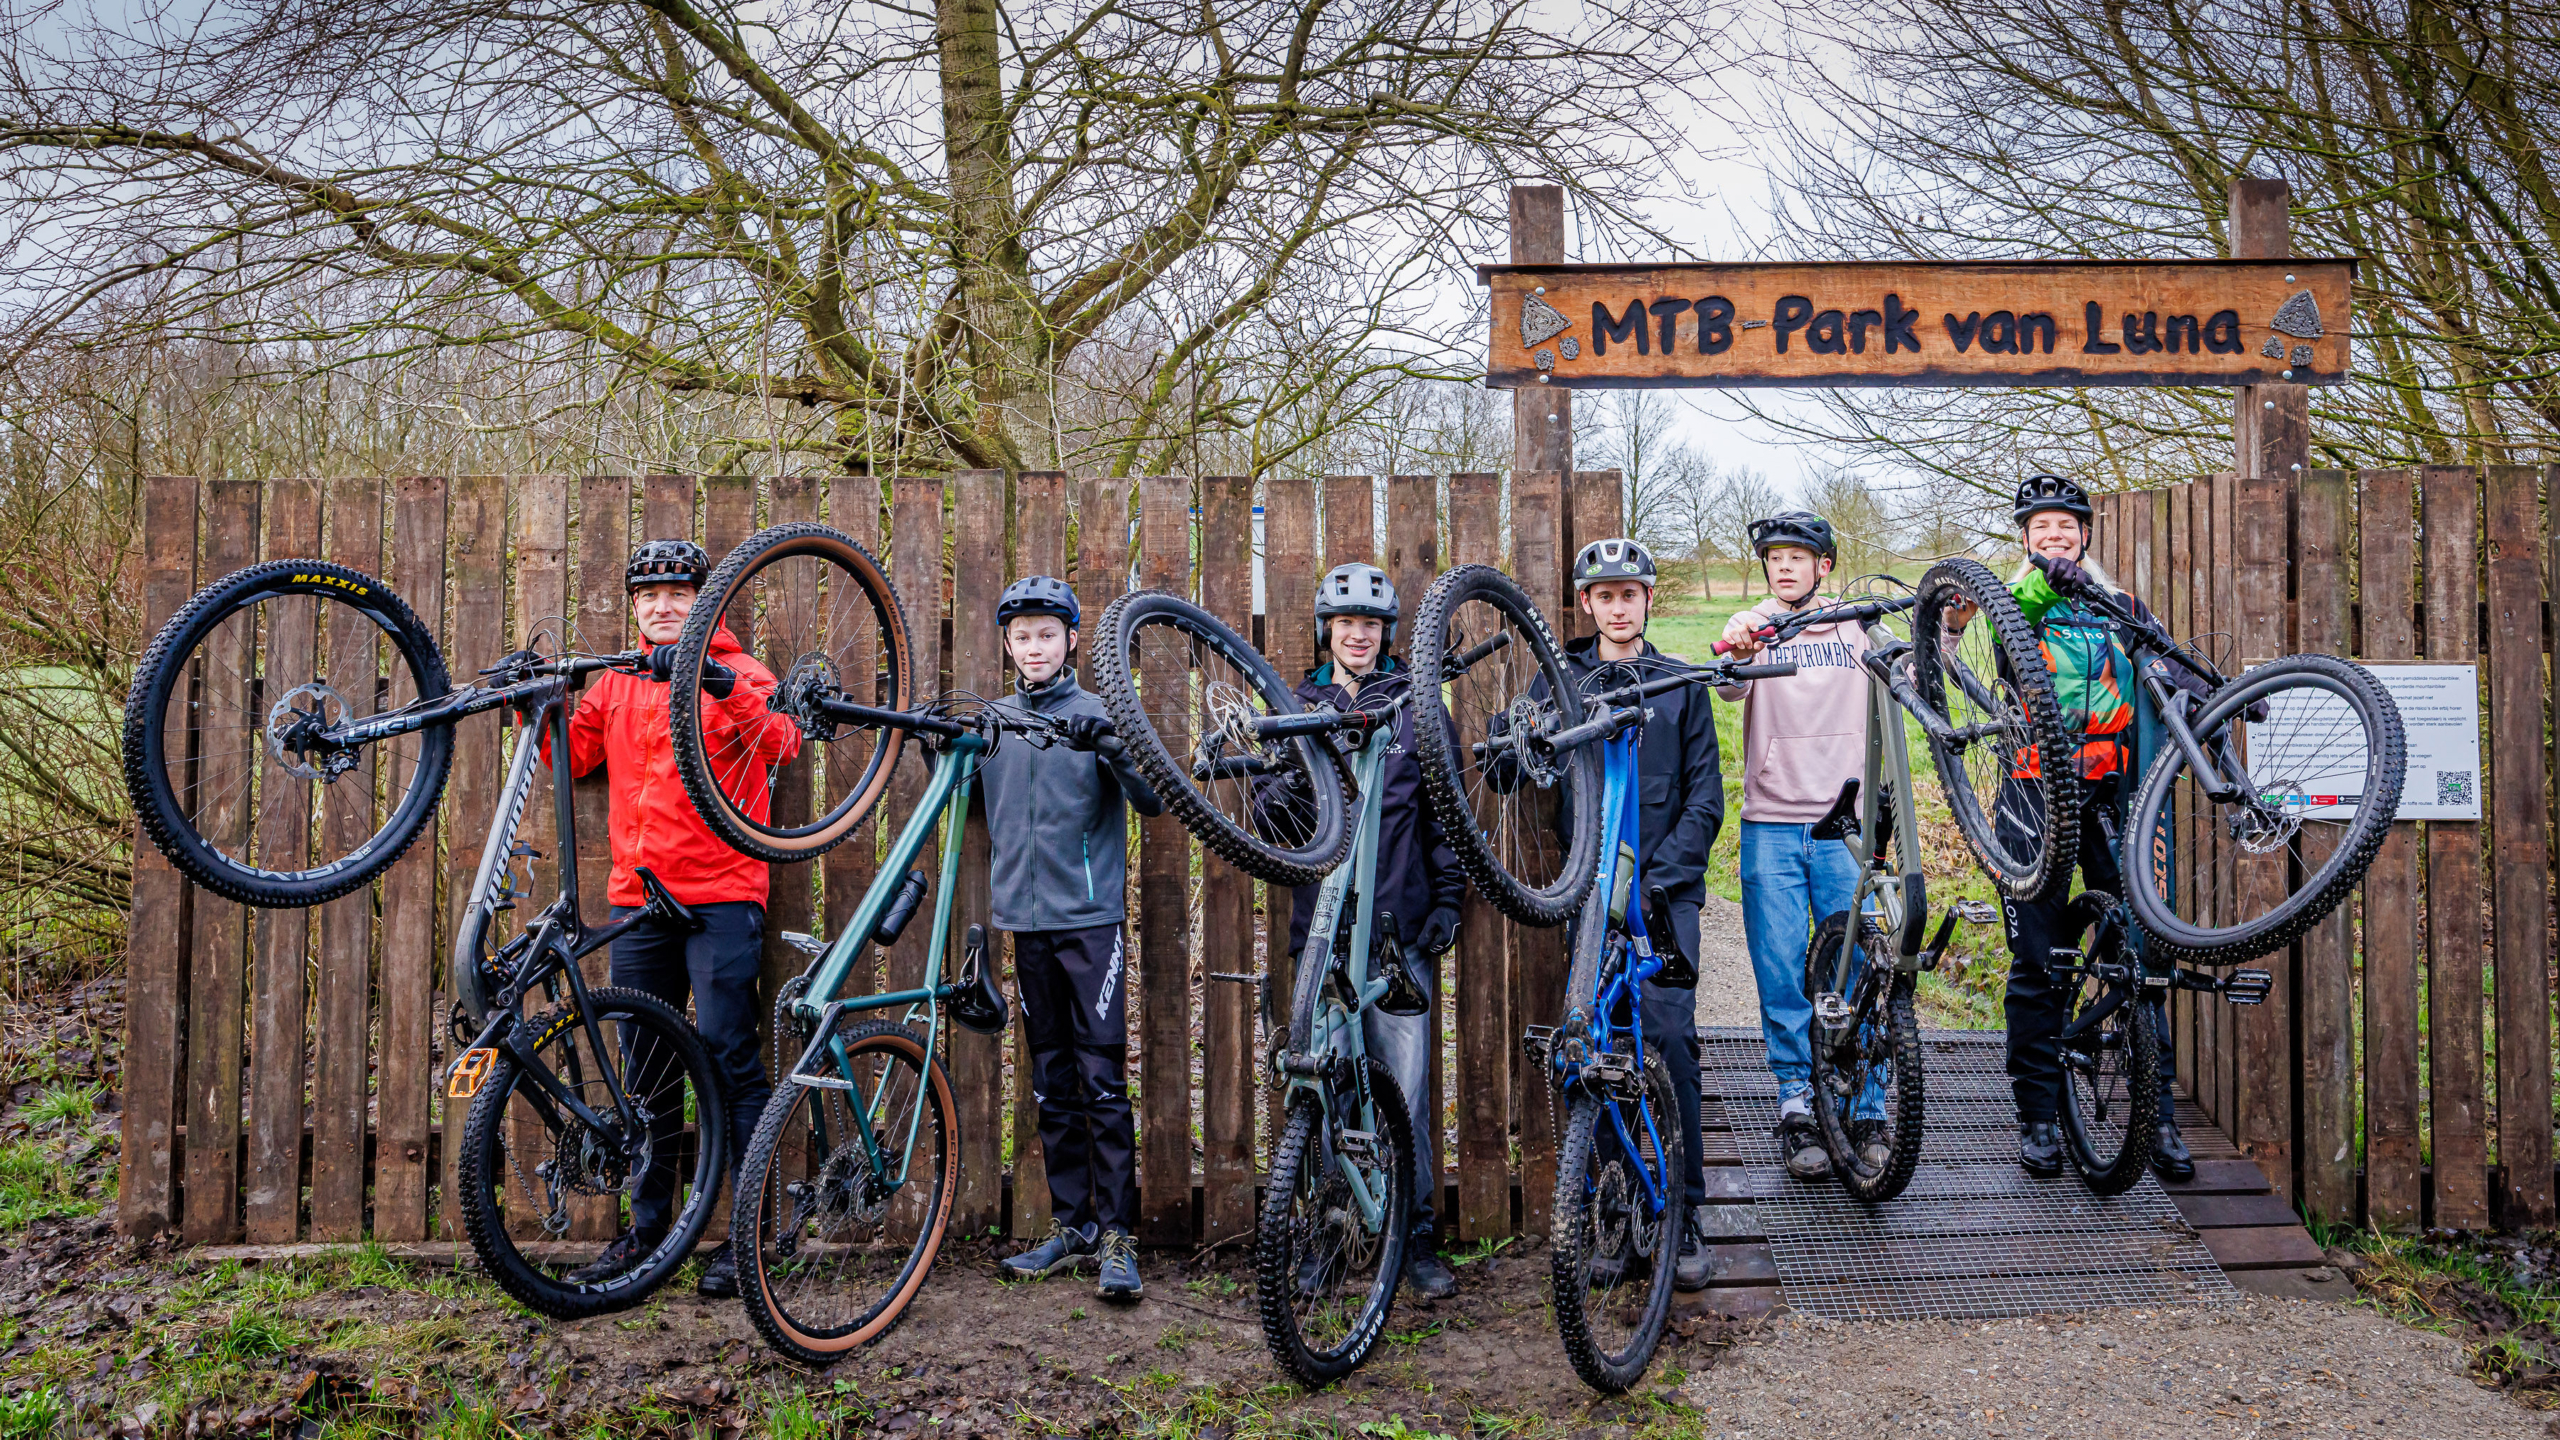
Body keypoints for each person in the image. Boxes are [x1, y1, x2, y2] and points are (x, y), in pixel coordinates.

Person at [557, 539, 802, 1297]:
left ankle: (750, 1237)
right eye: (648, 594)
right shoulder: (620, 681)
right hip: (638, 900)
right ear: (633, 604)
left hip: (724, 894)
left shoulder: (745, 673)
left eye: (677, 593)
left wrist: (719, 681)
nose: (662, 606)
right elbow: (570, 756)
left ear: (707, 600)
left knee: (731, 1057)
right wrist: (530, 705)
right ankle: (649, 1231)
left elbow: (784, 743)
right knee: (648, 1069)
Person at [1501, 538, 1725, 1291]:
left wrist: (1662, 882)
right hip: (1591, 893)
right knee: (1591, 1041)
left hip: (1662, 896)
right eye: (1605, 595)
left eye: (1632, 593)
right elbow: (1515, 766)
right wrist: (1510, 735)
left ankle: (1682, 1212)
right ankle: (1612, 1207)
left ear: (1648, 600)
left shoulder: (1679, 683)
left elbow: (1707, 799)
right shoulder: (1564, 680)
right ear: (1587, 604)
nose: (1619, 605)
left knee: (1666, 1036)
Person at [1990, 474, 2194, 1181]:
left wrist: (2210, 694)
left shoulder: (2121, 605)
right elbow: (2017, 624)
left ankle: (2158, 1118)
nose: (2054, 535)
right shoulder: (2014, 600)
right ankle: (2040, 1117)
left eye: (2065, 527)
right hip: (2031, 792)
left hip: (2110, 790)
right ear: (2025, 539)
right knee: (2039, 961)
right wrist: (2055, 579)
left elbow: (2161, 668)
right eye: (2040, 527)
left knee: (2142, 950)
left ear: (2085, 533)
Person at [1278, 563, 1465, 1301]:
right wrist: (1294, 780)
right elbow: (1271, 819)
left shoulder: (1420, 706)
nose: (1358, 635)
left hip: (1398, 931)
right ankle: (1327, 1240)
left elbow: (1446, 815)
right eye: (1345, 622)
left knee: (1404, 1093)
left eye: (1371, 624)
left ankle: (1412, 1239)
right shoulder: (1296, 703)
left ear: (1387, 633)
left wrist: (1447, 900)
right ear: (1326, 628)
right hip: (1321, 933)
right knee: (1323, 1093)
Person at [981, 575, 1164, 1301]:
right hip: (1023, 925)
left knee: (1099, 1080)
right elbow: (966, 798)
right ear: (1008, 643)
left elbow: (1152, 800)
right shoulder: (994, 719)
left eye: (1047, 635)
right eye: (1022, 636)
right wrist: (941, 745)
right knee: (1051, 1081)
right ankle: (1073, 1225)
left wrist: (1113, 746)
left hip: (1089, 924)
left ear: (1072, 641)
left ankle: (1119, 1236)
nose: (1034, 648)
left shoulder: (1100, 710)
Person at [1714, 512, 1883, 1181]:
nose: (1784, 567)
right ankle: (1796, 1104)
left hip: (1844, 824)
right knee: (1782, 972)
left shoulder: (1859, 623)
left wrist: (1951, 625)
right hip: (1772, 823)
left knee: (1856, 972)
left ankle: (1867, 1105)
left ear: (1825, 565)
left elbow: (1920, 667)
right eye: (1774, 558)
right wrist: (1735, 645)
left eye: (1798, 557)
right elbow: (1725, 682)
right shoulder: (1754, 625)